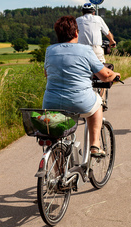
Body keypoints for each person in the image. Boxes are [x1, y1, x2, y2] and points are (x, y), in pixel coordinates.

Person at [42, 16, 120, 157]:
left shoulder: (50, 51)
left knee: (55, 141)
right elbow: (105, 75)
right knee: (98, 104)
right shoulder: (85, 50)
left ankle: (57, 177)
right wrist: (115, 75)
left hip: (51, 103)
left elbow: (47, 75)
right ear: (77, 33)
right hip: (80, 102)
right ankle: (95, 145)